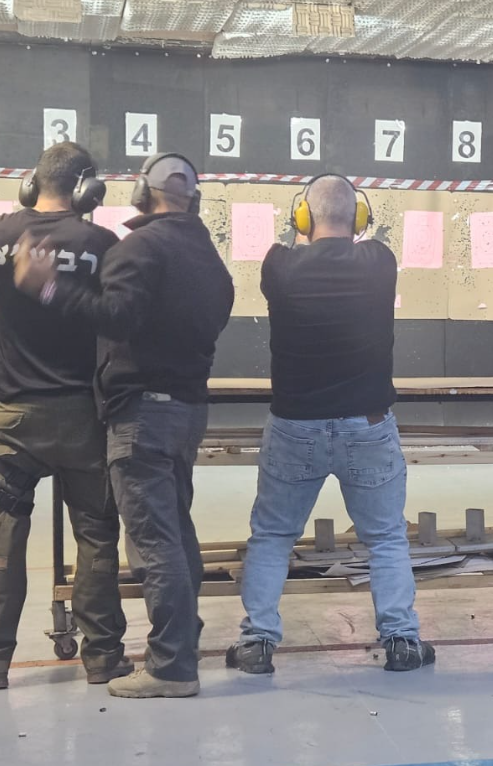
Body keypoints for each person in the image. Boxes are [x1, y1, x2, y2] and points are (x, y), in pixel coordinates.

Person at [14, 152, 234, 698]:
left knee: (154, 543)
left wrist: (47, 285)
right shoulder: (201, 252)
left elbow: (117, 317)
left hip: (134, 415)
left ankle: (171, 666)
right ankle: (149, 648)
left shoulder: (139, 247)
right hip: (177, 410)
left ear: (141, 193)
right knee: (163, 534)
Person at [226, 174, 434, 675]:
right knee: (385, 539)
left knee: (272, 537)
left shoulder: (279, 265)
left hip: (295, 426)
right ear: (359, 218)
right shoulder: (380, 261)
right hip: (368, 425)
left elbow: (296, 246)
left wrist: (301, 228)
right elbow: (357, 242)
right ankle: (402, 641)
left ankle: (256, 643)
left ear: (302, 217)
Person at [0, 143, 127, 689]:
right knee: (96, 536)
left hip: (11, 417)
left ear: (32, 184)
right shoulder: (102, 244)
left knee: (4, 540)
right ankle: (102, 658)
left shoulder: (3, 234)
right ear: (87, 190)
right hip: (82, 417)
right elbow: (118, 323)